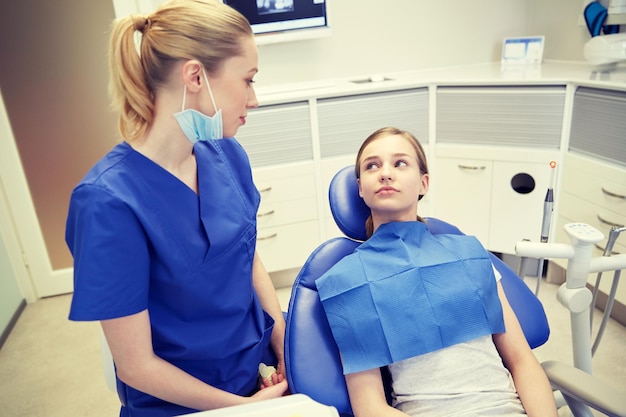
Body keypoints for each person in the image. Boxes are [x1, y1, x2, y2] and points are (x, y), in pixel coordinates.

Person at [65, 1, 288, 416]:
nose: (254, 100)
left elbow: (245, 252)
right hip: (184, 404)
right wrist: (243, 408)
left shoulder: (226, 154)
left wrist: (281, 336)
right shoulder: (107, 203)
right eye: (248, 80)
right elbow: (137, 366)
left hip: (258, 375)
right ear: (195, 76)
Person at [315, 127, 558, 417]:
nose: (385, 173)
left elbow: (521, 360)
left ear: (423, 183)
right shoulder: (349, 281)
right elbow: (369, 407)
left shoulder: (469, 254)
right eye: (372, 166)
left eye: (400, 163)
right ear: (360, 188)